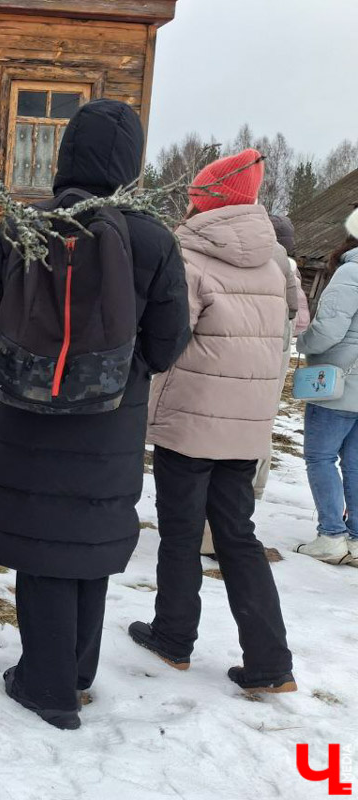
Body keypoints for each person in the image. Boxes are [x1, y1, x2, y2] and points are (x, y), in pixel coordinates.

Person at [0, 99, 191, 730]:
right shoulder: (153, 238)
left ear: (66, 153)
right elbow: (167, 341)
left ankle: (45, 687)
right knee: (88, 542)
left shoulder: (21, 225)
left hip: (27, 416)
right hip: (110, 420)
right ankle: (74, 675)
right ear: (131, 163)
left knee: (41, 542)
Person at [132, 149, 297, 695]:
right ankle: (271, 663)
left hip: (191, 417)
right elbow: (290, 328)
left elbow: (169, 336)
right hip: (248, 423)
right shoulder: (277, 261)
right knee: (238, 535)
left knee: (180, 533)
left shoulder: (190, 256)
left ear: (207, 199)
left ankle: (173, 638)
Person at [201, 214, 307, 557]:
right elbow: (296, 317)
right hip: (263, 379)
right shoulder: (285, 271)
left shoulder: (217, 254)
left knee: (212, 451)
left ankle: (207, 535)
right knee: (245, 452)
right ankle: (228, 532)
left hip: (222, 374)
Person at [295, 208, 358, 566]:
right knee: (355, 463)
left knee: (320, 457)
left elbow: (329, 331)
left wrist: (303, 342)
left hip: (338, 384)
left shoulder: (351, 272)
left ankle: (331, 535)